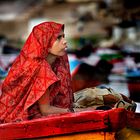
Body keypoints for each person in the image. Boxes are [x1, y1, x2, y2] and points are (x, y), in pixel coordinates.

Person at [0, 21, 74, 123]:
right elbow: (46, 110)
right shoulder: (40, 68)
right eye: (58, 38)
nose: (65, 41)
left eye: (63, 36)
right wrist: (74, 111)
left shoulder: (56, 64)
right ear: (45, 42)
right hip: (18, 122)